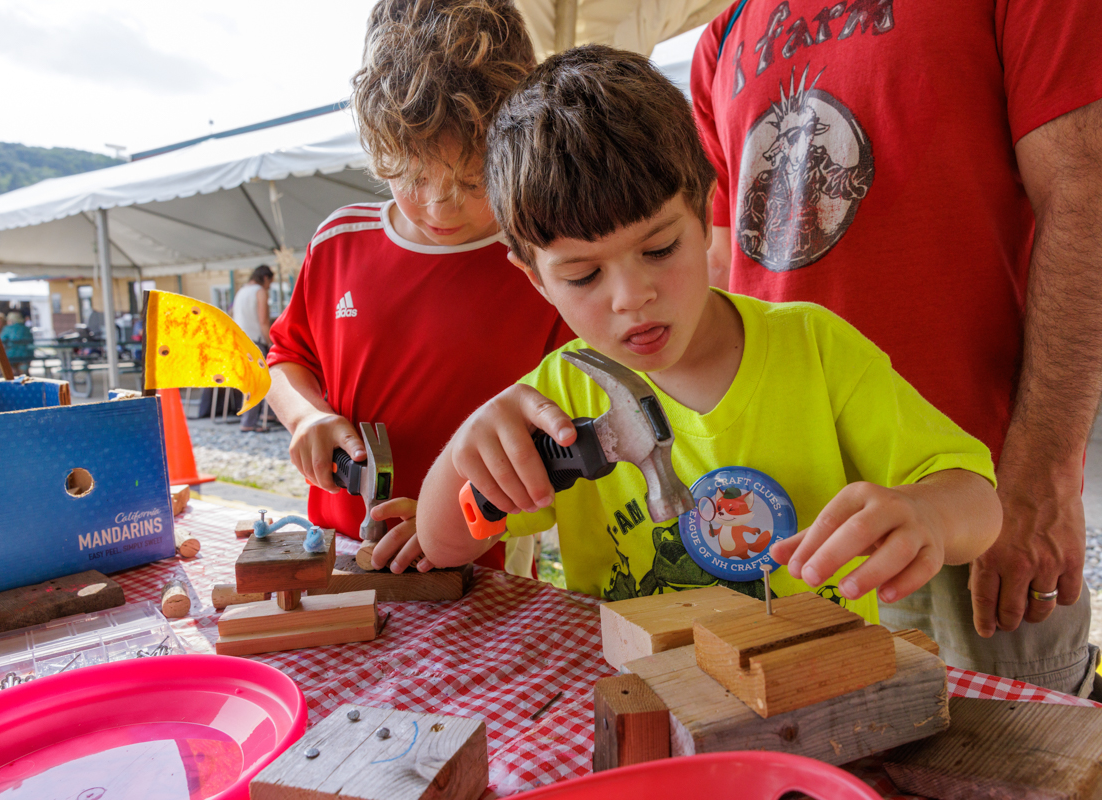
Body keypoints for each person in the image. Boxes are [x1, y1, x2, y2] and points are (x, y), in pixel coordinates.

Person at [689, 0, 1102, 696]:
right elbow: (721, 263)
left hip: (970, 505)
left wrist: (1040, 479)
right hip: (782, 516)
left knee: (1008, 758)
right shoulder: (726, 30)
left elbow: (1085, 197)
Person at [413, 45, 1002, 617]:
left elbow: (976, 501)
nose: (632, 297)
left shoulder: (816, 351)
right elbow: (444, 545)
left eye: (661, 248)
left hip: (810, 688)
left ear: (705, 214)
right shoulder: (557, 402)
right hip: (636, 697)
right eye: (584, 275)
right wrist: (470, 450)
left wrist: (927, 516)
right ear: (535, 279)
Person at [266, 0, 570, 576]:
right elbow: (284, 360)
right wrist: (306, 418)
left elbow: (565, 441)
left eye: (471, 179)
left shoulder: (546, 266)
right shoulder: (338, 240)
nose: (437, 204)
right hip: (336, 553)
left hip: (479, 571)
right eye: (409, 174)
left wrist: (454, 525)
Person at [232, 264, 275, 432]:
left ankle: (268, 414)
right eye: (269, 282)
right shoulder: (260, 291)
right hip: (255, 341)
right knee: (259, 382)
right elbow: (263, 321)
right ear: (265, 278)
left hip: (241, 341)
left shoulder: (241, 291)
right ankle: (249, 422)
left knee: (252, 382)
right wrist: (271, 342)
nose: (269, 286)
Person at [0, 311, 34, 376]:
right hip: (27, 354)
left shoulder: (8, 328)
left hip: (12, 354)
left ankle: (12, 374)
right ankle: (22, 373)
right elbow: (31, 340)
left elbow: (1, 341)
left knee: (1, 360)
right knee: (23, 369)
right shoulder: (26, 328)